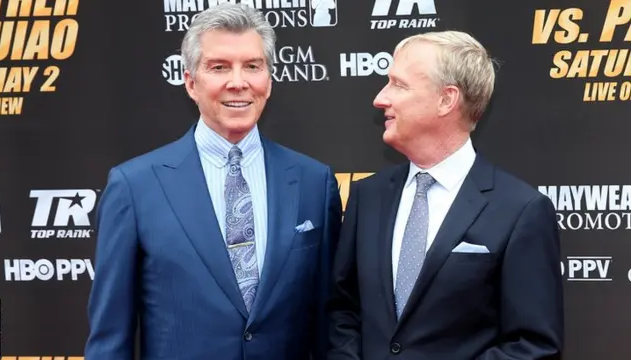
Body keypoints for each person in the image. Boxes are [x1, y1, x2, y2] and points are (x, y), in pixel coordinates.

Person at [84, 4, 342, 360]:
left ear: (268, 78)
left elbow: (331, 322)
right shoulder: (135, 186)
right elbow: (110, 340)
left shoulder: (314, 181)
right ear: (191, 82)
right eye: (219, 67)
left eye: (253, 66)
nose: (238, 82)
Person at [327, 30, 563, 359]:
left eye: (398, 84)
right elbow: (343, 310)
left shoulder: (520, 210)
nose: (381, 98)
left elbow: (533, 345)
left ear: (446, 100)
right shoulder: (369, 197)